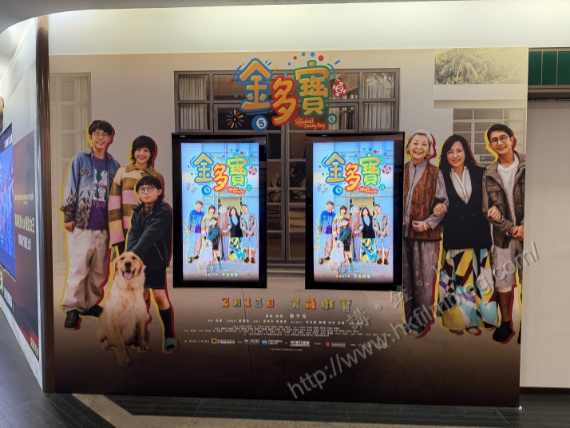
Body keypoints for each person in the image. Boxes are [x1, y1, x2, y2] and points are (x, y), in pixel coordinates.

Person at [435, 134, 498, 335]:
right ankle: (457, 320)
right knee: (458, 281)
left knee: (482, 280)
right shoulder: (440, 176)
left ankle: (478, 320)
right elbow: (435, 201)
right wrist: (436, 207)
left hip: (478, 234)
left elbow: (493, 198)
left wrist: (495, 208)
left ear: (466, 152)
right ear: (445, 155)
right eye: (450, 152)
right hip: (456, 235)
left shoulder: (481, 173)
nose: (455, 155)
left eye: (459, 151)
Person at [60, 120, 120, 329]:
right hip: (82, 224)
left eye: (105, 134)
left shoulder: (114, 165)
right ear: (91, 137)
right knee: (78, 268)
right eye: (97, 134)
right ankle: (72, 308)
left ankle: (90, 304)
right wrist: (69, 215)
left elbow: (116, 196)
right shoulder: (81, 160)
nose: (100, 138)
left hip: (104, 226)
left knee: (99, 271)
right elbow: (71, 187)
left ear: (110, 138)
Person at [402, 129, 448, 336]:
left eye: (424, 144)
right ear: (408, 146)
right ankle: (410, 319)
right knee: (407, 280)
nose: (419, 147)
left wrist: (428, 224)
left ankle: (422, 321)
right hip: (403, 234)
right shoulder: (400, 170)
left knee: (424, 279)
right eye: (415, 143)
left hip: (426, 235)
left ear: (429, 149)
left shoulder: (435, 173)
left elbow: (443, 202)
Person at [482, 124, 525, 343]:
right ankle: (506, 323)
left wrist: (525, 226)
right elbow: (487, 209)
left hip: (530, 236)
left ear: (512, 139)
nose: (499, 142)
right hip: (503, 237)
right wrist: (509, 227)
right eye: (494, 140)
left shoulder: (528, 165)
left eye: (503, 138)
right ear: (490, 145)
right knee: (503, 282)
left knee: (529, 282)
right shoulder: (489, 173)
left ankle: (528, 324)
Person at [126, 175, 177, 353]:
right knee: (141, 296)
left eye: (150, 188)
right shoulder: (137, 212)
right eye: (142, 189)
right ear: (138, 193)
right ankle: (140, 332)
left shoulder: (164, 210)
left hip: (156, 260)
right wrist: (128, 259)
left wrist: (133, 256)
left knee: (159, 296)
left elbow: (150, 235)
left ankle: (169, 334)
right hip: (139, 260)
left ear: (159, 191)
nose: (146, 192)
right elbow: (133, 235)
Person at [109, 135, 164, 255]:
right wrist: (117, 238)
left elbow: (158, 209)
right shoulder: (122, 173)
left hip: (147, 234)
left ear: (151, 153)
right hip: (125, 233)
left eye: (146, 150)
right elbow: (113, 207)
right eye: (138, 149)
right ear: (133, 151)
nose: (141, 154)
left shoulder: (156, 176)